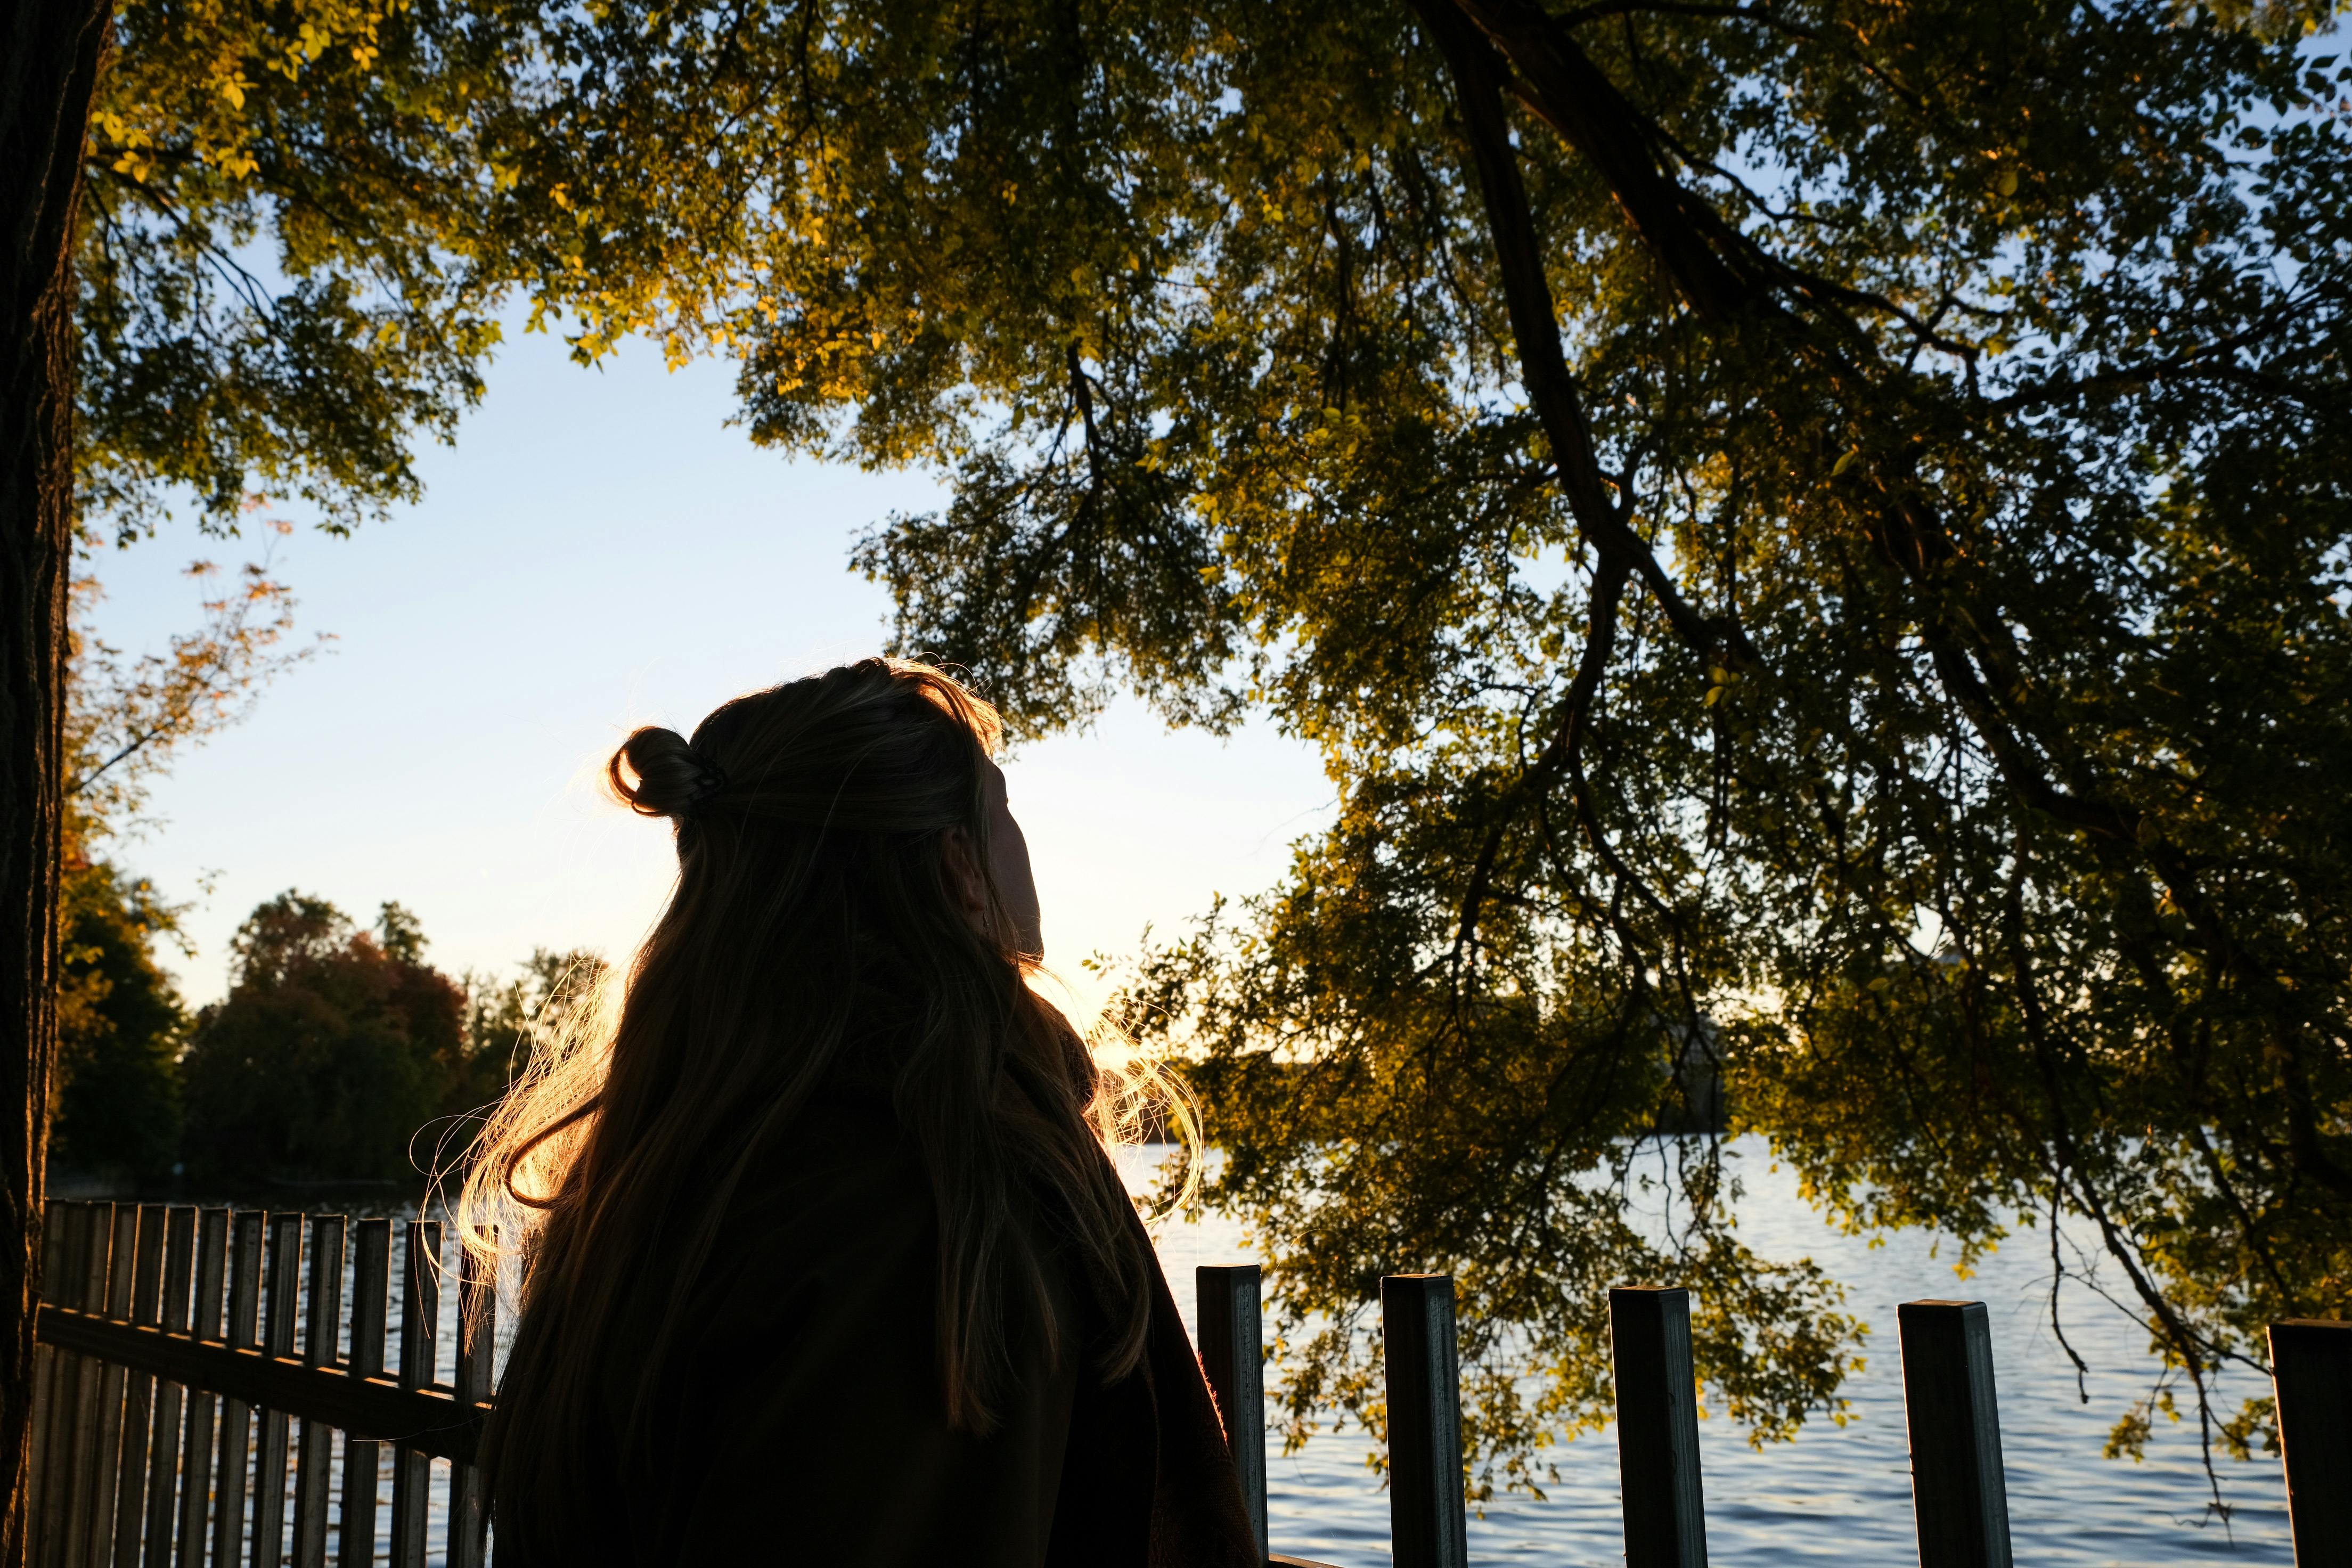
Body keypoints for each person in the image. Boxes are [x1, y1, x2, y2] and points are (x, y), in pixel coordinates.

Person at [460, 658, 1262, 1567]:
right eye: (1001, 812)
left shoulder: (667, 1173)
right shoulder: (933, 1195)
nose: (1019, 843)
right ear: (959, 864)